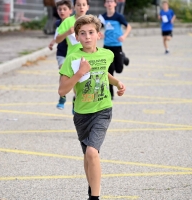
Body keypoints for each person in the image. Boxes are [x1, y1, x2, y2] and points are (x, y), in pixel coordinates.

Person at [58, 14, 126, 200]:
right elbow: (62, 90)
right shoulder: (72, 58)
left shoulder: (107, 54)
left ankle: (94, 197)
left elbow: (103, 74)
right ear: (77, 37)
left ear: (98, 34)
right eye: (82, 33)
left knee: (91, 152)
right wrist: (79, 72)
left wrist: (117, 82)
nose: (87, 36)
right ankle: (92, 187)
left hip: (103, 110)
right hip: (81, 114)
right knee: (88, 156)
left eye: (91, 32)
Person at [55, 0, 90, 114]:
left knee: (81, 85)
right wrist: (67, 32)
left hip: (85, 58)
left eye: (83, 5)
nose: (81, 7)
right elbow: (57, 39)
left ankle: (76, 105)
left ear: (87, 7)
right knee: (68, 81)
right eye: (78, 5)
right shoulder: (68, 21)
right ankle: (63, 96)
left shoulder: (90, 21)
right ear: (74, 7)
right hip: (72, 58)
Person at [99, 0, 131, 100]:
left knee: (119, 70)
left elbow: (128, 26)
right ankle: (111, 93)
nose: (109, 4)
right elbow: (96, 27)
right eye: (107, 2)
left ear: (115, 4)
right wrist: (99, 33)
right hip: (107, 46)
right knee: (109, 71)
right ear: (105, 4)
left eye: (111, 2)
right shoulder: (102, 17)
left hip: (117, 45)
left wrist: (124, 36)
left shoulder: (119, 16)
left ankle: (123, 58)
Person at [48, 0, 72, 110]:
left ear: (70, 11)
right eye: (59, 9)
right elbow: (57, 35)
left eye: (64, 9)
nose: (62, 11)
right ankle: (62, 97)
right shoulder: (58, 23)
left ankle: (76, 101)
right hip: (62, 52)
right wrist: (52, 42)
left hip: (73, 53)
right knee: (63, 73)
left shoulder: (74, 23)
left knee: (75, 77)